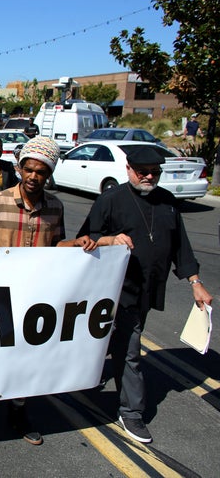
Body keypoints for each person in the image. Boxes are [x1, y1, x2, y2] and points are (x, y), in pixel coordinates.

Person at [77, 145, 212, 444]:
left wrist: (195, 282)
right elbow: (86, 237)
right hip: (116, 291)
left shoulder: (167, 202)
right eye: (143, 173)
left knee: (122, 340)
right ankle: (132, 412)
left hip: (149, 290)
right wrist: (109, 240)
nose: (150, 177)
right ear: (128, 170)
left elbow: (181, 247)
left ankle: (92, 367)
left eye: (156, 173)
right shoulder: (111, 199)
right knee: (131, 349)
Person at [0, 136, 97, 446]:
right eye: (29, 170)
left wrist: (78, 245)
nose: (34, 177)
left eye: (41, 172)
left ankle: (18, 411)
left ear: (48, 174)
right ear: (20, 168)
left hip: (35, 297)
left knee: (27, 357)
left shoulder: (56, 206)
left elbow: (58, 247)